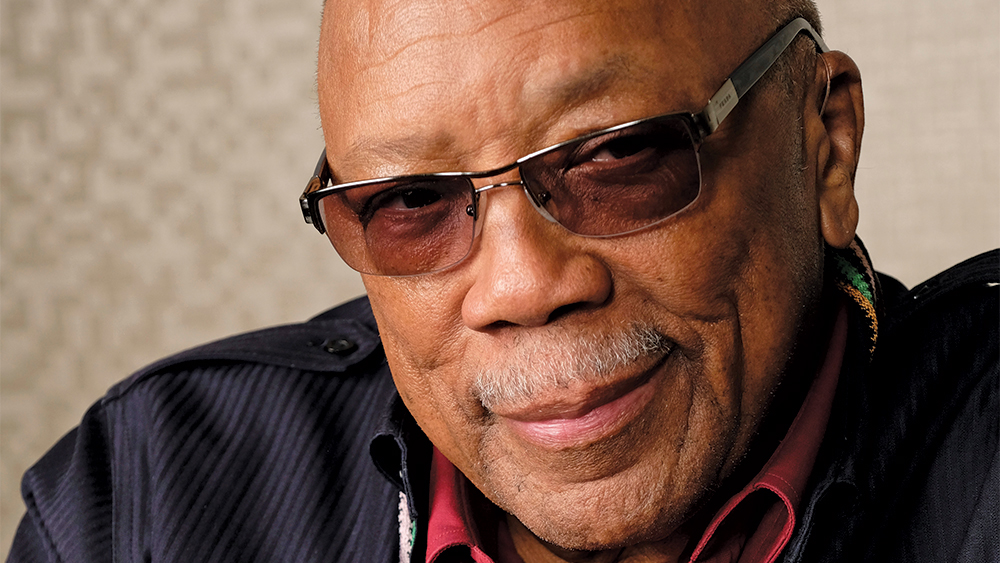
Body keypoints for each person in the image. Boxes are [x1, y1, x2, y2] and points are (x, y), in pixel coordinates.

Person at [7, 0, 997, 561]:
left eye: (616, 158)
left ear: (823, 146)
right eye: (409, 203)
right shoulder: (145, 500)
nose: (522, 286)